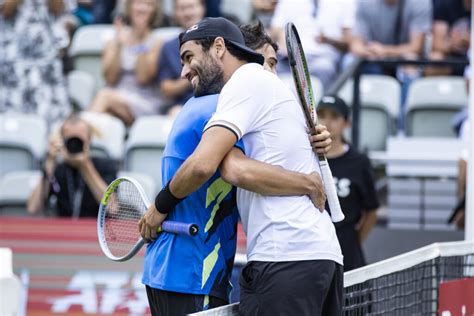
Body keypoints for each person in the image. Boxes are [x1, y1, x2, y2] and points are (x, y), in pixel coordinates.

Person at [140, 17, 343, 316]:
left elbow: (224, 168)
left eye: (189, 57)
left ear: (220, 48)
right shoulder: (261, 96)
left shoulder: (245, 82)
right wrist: (307, 181)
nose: (268, 69)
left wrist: (159, 207)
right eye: (264, 61)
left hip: (282, 258)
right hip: (319, 256)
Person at [312, 96, 379, 272]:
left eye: (334, 116)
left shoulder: (359, 162)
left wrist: (354, 240)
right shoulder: (307, 157)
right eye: (322, 115)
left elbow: (371, 211)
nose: (327, 121)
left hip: (346, 245)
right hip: (311, 245)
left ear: (346, 123)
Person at [88, 0, 164, 126]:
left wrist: (140, 41)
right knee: (104, 118)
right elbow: (110, 78)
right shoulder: (114, 38)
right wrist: (118, 44)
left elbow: (143, 78)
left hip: (143, 101)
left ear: (154, 10)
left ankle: (78, 136)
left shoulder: (158, 42)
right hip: (114, 97)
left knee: (104, 96)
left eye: (148, 4)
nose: (142, 8)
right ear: (129, 6)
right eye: (138, 3)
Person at [27, 114, 117, 218]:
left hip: (96, 230)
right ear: (62, 141)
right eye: (70, 140)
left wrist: (86, 166)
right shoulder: (57, 169)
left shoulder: (105, 166)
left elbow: (113, 207)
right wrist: (50, 163)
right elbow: (33, 208)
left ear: (89, 141)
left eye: (79, 141)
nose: (74, 145)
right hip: (63, 231)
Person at [0, 0, 71, 126]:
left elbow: (58, 8)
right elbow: (6, 10)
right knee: (13, 122)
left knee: (52, 120)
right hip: (13, 62)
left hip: (47, 61)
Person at [270, 0, 355, 90]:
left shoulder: (345, 2)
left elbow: (349, 42)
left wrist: (329, 40)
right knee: (270, 67)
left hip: (322, 57)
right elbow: (275, 30)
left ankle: (322, 104)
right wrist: (285, 41)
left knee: (324, 68)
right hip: (290, 58)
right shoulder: (288, 2)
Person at [156, 0, 205, 116]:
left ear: (202, 8)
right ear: (175, 13)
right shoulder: (169, 47)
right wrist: (194, 75)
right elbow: (165, 89)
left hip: (216, 98)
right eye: (182, 8)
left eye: (191, 7)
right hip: (183, 104)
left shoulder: (217, 39)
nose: (187, 13)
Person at [426, 0, 471, 76]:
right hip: (452, 57)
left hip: (471, 57)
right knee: (436, 58)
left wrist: (470, 42)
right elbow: (437, 44)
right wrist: (452, 43)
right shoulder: (445, 3)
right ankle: (441, 87)